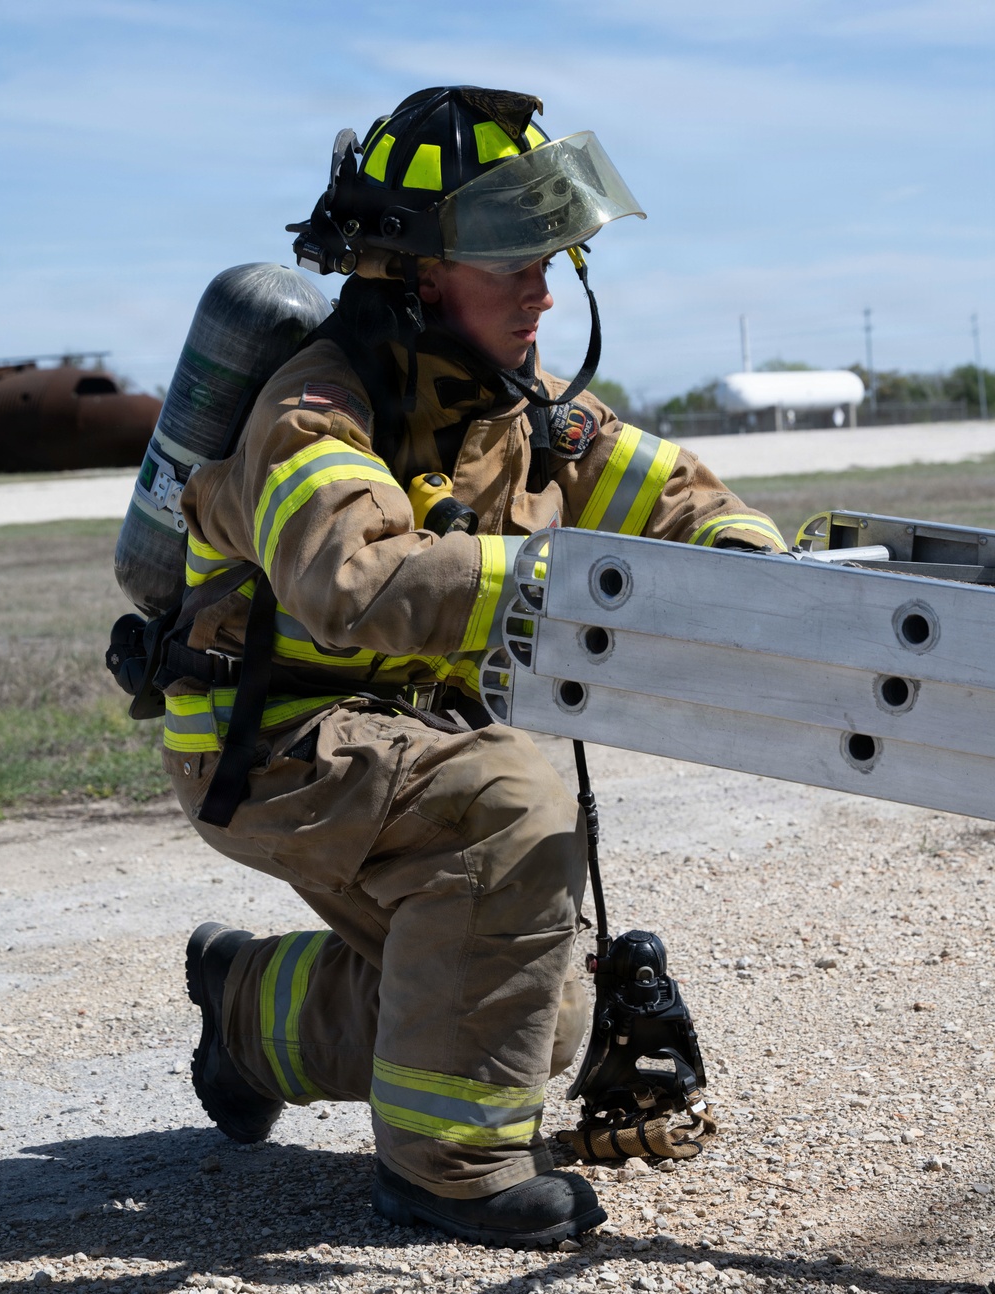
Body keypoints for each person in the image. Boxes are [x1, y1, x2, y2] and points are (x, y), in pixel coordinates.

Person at [168, 86, 786, 1248]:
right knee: (510, 803)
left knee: (531, 1022)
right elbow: (347, 580)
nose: (542, 289)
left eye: (551, 257)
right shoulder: (313, 409)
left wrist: (754, 562)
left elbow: (669, 493)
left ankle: (244, 1012)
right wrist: (558, 580)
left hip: (389, 735)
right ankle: (447, 1173)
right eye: (510, 262)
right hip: (270, 739)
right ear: (413, 273)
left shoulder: (516, 406)